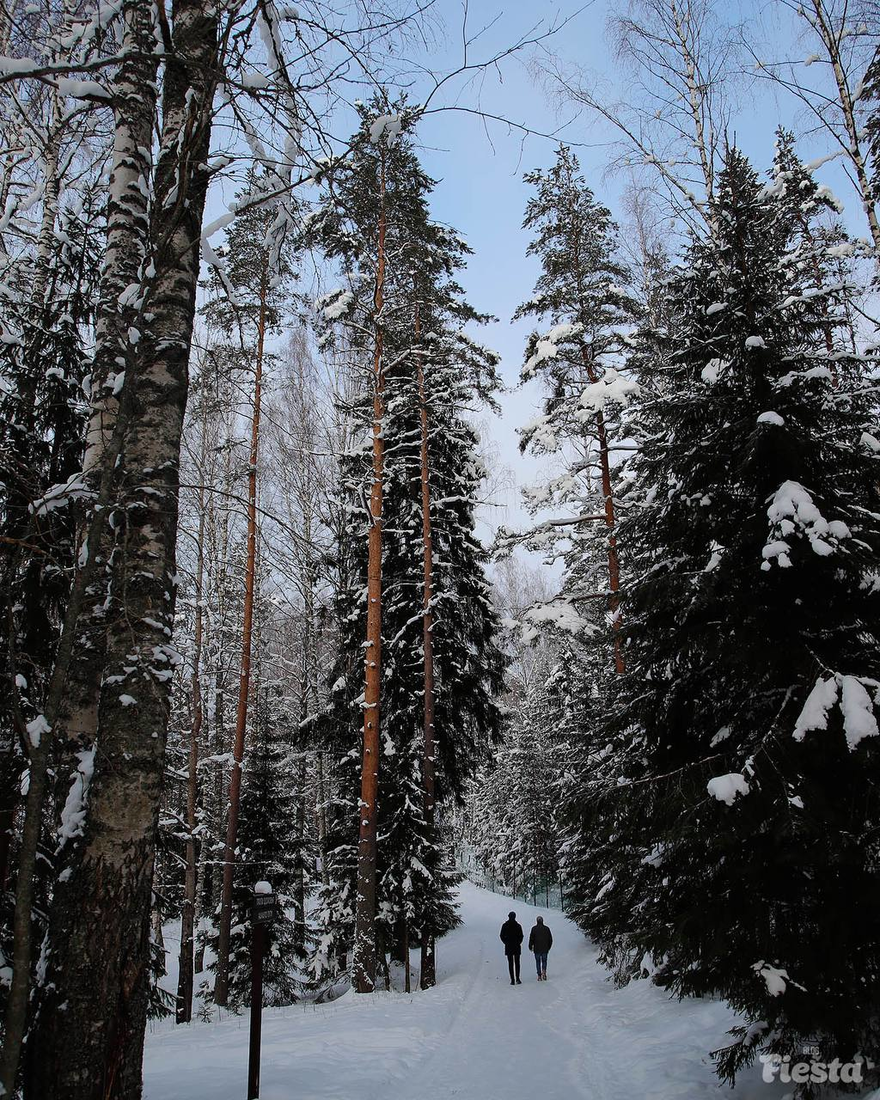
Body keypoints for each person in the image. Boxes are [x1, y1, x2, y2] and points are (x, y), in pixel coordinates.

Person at [499, 911, 524, 985]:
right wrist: (518, 942)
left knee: (510, 963)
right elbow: (521, 936)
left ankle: (512, 980)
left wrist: (505, 942)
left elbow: (501, 935)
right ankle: (518, 978)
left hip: (509, 946)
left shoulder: (505, 925)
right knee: (517, 963)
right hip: (516, 946)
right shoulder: (518, 926)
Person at [528, 915, 553, 980]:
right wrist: (548, 947)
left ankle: (539, 975)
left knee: (538, 961)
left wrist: (530, 946)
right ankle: (544, 972)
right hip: (545, 948)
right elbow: (550, 939)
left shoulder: (534, 928)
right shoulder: (547, 929)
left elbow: (531, 939)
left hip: (537, 948)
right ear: (542, 921)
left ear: (537, 921)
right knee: (544, 961)